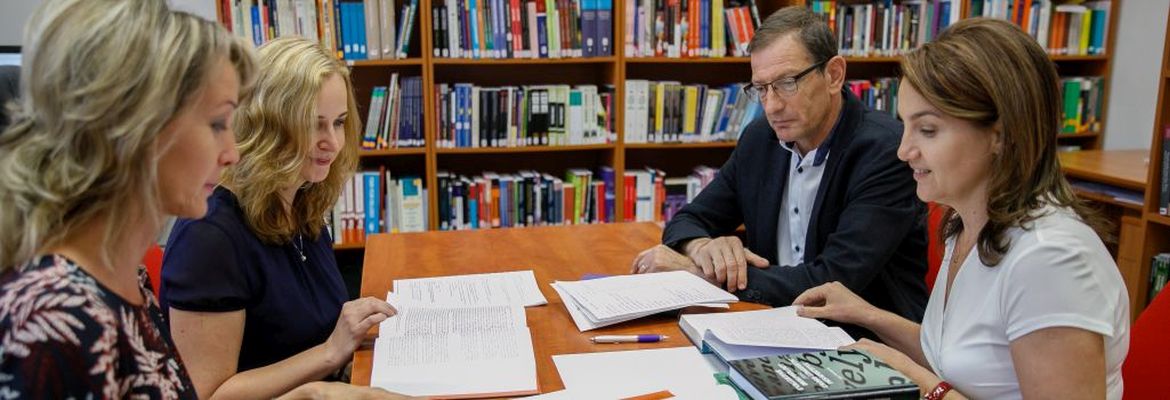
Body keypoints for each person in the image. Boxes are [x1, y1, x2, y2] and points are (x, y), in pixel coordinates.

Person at [0, 2, 410, 399]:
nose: (232, 151)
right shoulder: (56, 318)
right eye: (216, 124)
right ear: (137, 132)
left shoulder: (122, 277)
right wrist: (314, 388)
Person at [793, 18, 1130, 399]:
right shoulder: (968, 221)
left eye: (928, 130)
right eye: (906, 126)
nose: (903, 151)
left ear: (1000, 135)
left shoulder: (1051, 260)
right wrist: (866, 313)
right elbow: (962, 361)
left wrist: (918, 381)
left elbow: (944, 377)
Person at [632, 6, 928, 325]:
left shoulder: (886, 151)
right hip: (775, 322)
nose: (772, 106)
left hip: (860, 338)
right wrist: (702, 248)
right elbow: (690, 218)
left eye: (787, 83)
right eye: (761, 89)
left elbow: (832, 282)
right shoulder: (761, 138)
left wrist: (699, 274)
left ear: (834, 75)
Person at [161, 37, 396, 399]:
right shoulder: (208, 235)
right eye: (314, 125)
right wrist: (329, 353)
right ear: (269, 125)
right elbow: (208, 394)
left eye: (339, 123)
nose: (333, 143)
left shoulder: (301, 196)